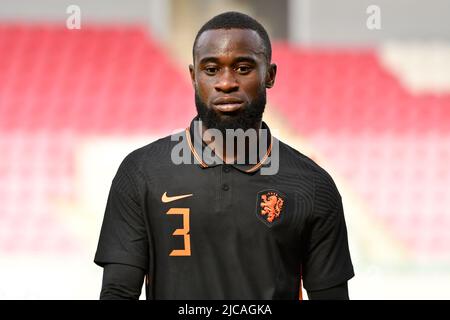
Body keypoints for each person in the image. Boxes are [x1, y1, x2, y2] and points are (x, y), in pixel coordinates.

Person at [94, 11, 354, 300]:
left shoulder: (313, 186)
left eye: (243, 68)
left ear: (269, 74)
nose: (226, 83)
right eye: (211, 69)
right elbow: (118, 292)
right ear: (193, 76)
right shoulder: (141, 172)